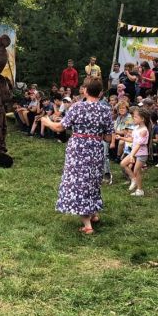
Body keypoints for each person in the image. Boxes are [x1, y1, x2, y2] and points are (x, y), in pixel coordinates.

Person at [41, 79, 114, 235]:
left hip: (78, 149)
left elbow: (60, 127)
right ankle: (93, 213)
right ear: (100, 92)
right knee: (93, 181)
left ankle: (87, 225)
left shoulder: (77, 107)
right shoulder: (106, 110)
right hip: (96, 149)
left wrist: (46, 122)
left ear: (85, 90)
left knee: (78, 183)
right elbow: (108, 138)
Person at [121, 107, 150, 197]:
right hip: (134, 152)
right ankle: (133, 179)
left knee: (137, 171)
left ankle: (140, 190)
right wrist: (121, 138)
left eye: (135, 117)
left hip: (141, 154)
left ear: (142, 119)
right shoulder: (136, 128)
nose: (134, 118)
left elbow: (138, 145)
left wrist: (131, 155)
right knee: (123, 164)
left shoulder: (144, 131)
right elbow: (132, 140)